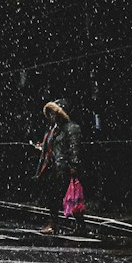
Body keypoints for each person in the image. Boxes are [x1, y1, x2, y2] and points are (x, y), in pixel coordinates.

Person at [30, 97, 85, 236]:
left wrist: (74, 165)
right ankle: (53, 223)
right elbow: (52, 147)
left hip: (64, 168)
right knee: (54, 198)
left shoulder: (71, 128)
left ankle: (79, 224)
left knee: (71, 198)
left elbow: (74, 148)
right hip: (52, 168)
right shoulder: (53, 129)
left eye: (54, 113)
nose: (51, 117)